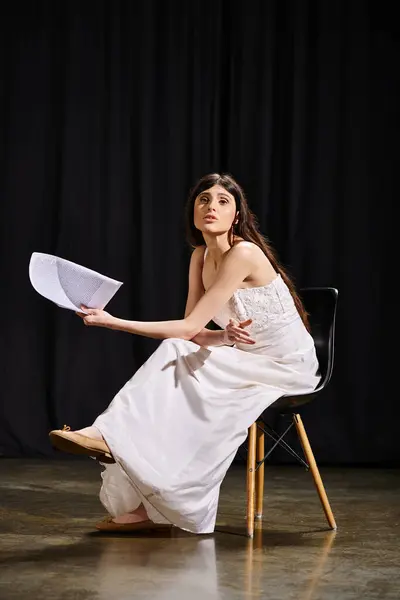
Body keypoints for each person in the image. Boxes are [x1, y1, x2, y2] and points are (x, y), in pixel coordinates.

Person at [49, 173, 320, 533]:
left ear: (237, 216)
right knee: (174, 374)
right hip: (244, 358)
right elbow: (195, 335)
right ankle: (143, 495)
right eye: (204, 200)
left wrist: (114, 322)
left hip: (285, 366)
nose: (212, 207)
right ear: (193, 211)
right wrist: (222, 336)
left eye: (223, 201)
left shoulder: (244, 252)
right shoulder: (200, 256)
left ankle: (108, 439)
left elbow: (187, 327)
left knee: (175, 357)